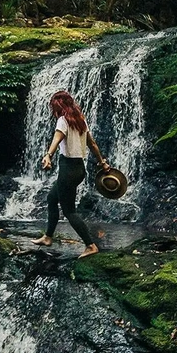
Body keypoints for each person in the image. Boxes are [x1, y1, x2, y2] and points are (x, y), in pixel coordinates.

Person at [31, 90, 110, 258]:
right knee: (52, 198)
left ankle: (90, 245)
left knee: (69, 211)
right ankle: (48, 237)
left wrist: (48, 155)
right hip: (79, 169)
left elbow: (57, 139)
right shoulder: (81, 120)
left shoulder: (62, 120)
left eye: (54, 106)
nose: (53, 110)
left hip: (67, 169)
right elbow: (92, 144)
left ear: (58, 106)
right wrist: (102, 162)